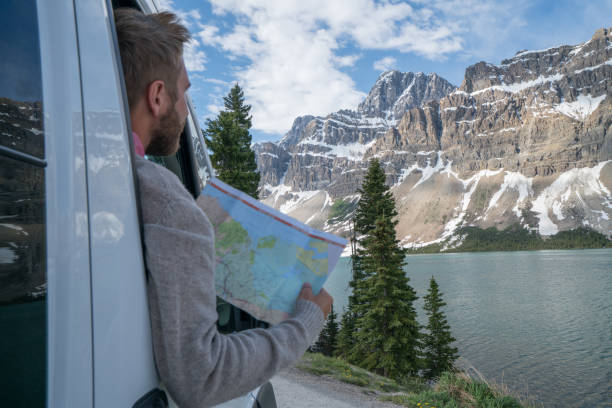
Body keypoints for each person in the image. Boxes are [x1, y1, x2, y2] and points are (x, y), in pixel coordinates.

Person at [113, 8, 333, 408]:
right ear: (158, 96)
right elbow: (203, 375)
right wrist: (304, 323)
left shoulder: (103, 175)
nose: (186, 108)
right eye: (185, 91)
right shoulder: (162, 195)